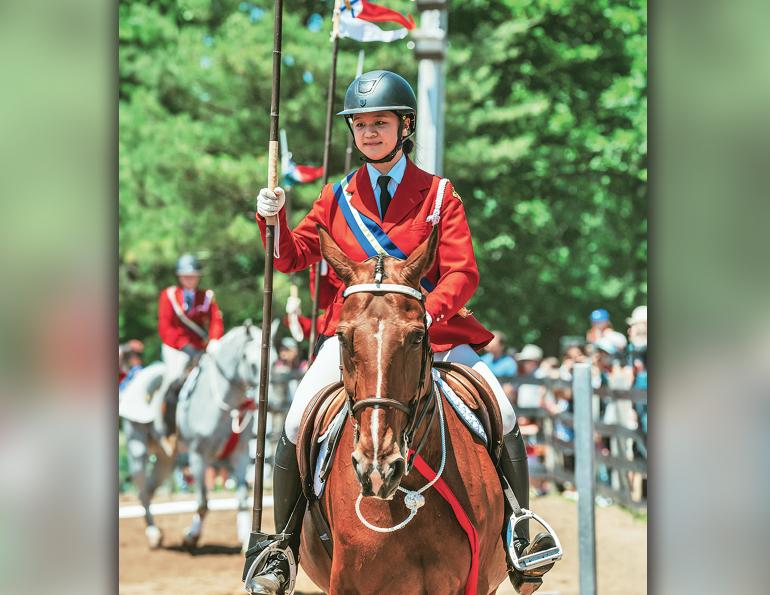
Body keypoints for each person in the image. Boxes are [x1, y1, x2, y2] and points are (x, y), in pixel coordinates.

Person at [250, 70, 557, 594]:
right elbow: (292, 256)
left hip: (430, 331)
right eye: (361, 124)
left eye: (380, 123)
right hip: (357, 338)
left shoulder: (438, 195)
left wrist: (424, 316)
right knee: (299, 418)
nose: (369, 133)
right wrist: (271, 220)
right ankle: (280, 547)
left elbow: (463, 271)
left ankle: (518, 532)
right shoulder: (335, 197)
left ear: (404, 126)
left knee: (501, 411)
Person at [155, 253, 224, 436]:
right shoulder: (169, 295)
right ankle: (165, 426)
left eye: (193, 276)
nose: (190, 279)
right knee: (173, 378)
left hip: (200, 349)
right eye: (186, 276)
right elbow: (165, 326)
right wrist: (184, 345)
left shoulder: (207, 296)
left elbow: (216, 320)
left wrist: (215, 340)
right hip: (175, 348)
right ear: (179, 276)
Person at [481, 330, 518, 400]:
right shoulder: (481, 360)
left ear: (501, 346)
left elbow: (509, 387)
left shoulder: (509, 363)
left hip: (500, 398)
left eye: (493, 341)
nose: (489, 343)